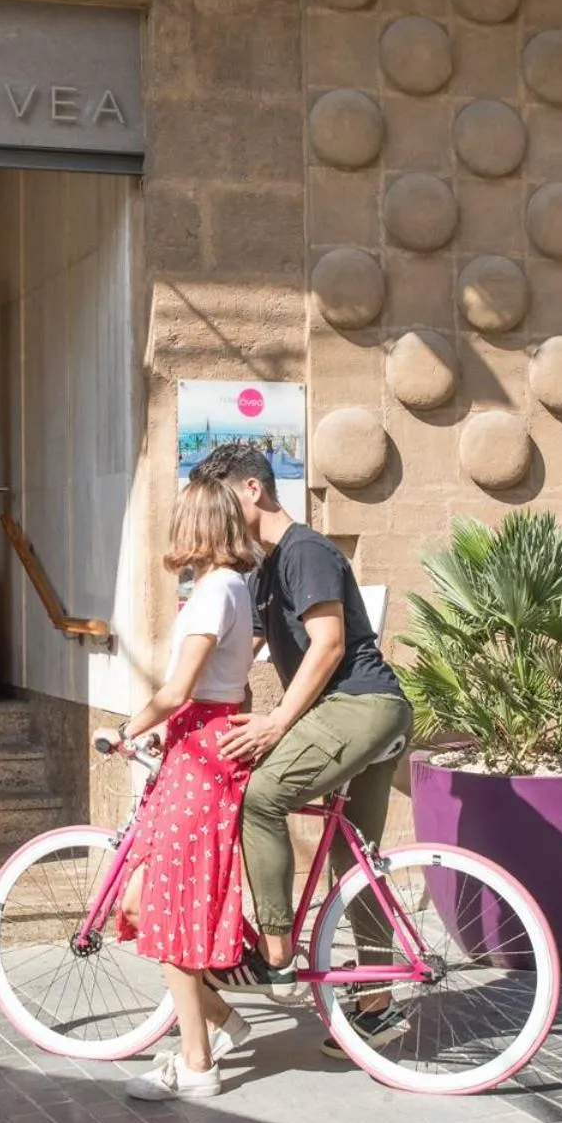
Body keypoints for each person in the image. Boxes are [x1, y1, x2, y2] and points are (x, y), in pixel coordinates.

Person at [189, 442, 413, 1058]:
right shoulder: (264, 569)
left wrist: (277, 722)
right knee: (354, 859)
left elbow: (329, 644)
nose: (218, 518)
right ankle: (376, 1005)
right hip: (363, 713)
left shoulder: (305, 550)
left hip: (359, 706)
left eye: (221, 502)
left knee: (262, 797)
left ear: (252, 491)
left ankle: (278, 952)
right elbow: (239, 645)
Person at [95, 477, 260, 1102]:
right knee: (143, 900)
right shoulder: (227, 588)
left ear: (198, 525)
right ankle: (223, 1025)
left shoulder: (216, 591)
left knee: (170, 906)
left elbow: (180, 689)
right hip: (197, 747)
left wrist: (123, 730)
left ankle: (197, 1063)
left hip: (200, 756)